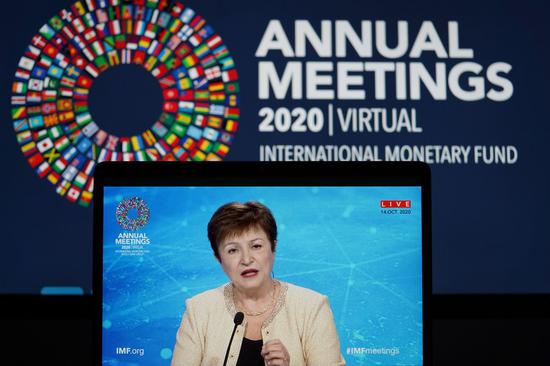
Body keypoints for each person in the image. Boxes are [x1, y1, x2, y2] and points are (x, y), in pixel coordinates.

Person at [171, 201, 346, 366]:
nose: (246, 259)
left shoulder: (312, 307)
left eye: (256, 246)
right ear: (219, 258)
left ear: (273, 247)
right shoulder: (199, 310)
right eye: (232, 250)